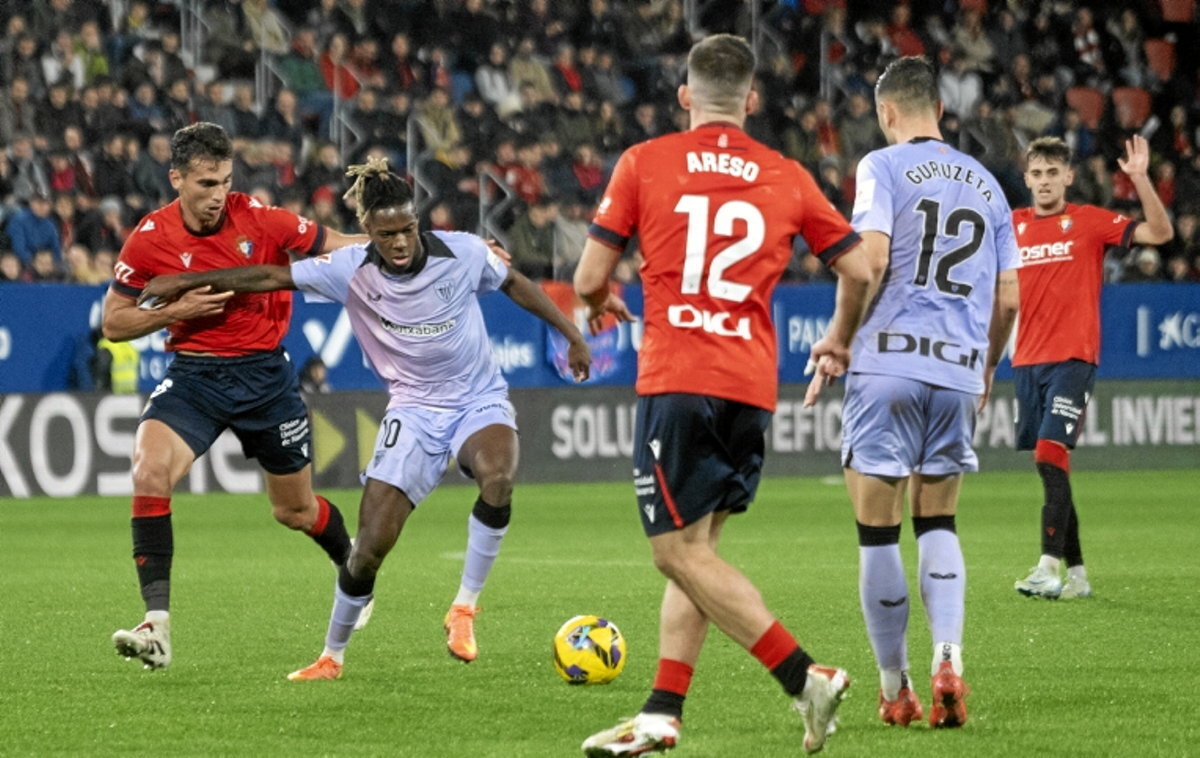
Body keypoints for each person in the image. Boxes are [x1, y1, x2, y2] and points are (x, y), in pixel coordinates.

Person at [138, 157, 592, 680]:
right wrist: (185, 282)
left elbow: (514, 282)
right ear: (368, 233)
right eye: (385, 234)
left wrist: (571, 335)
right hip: (412, 411)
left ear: (417, 222)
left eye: (406, 230)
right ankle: (332, 656)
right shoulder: (348, 269)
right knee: (369, 549)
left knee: (498, 477)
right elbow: (267, 275)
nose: (399, 243)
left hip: (477, 398)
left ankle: (464, 607)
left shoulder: (464, 252)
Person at [574, 34, 881, 756]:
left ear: (685, 95)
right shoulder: (787, 174)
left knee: (673, 554)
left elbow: (588, 276)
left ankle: (805, 675)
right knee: (699, 551)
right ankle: (662, 712)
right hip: (749, 385)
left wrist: (598, 300)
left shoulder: (645, 161)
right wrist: (838, 339)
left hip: (679, 375)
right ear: (751, 100)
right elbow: (860, 269)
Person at [100, 122, 371, 671]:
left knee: (293, 510)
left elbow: (340, 246)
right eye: (206, 183)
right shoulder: (150, 237)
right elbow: (114, 321)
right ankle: (157, 626)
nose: (218, 194)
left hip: (266, 379)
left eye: (225, 181)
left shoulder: (263, 219)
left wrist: (424, 244)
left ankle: (351, 565)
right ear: (177, 179)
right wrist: (177, 312)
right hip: (195, 377)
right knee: (149, 471)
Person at [805, 56, 1021, 730]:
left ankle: (896, 687)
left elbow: (870, 261)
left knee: (878, 533)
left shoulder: (881, 166)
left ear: (887, 112)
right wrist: (986, 367)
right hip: (957, 370)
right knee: (938, 524)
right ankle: (948, 660)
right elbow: (1009, 300)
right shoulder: (989, 185)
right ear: (940, 110)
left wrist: (839, 339)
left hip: (887, 363)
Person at [1010, 135, 1173, 599]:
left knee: (1048, 454)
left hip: (1073, 357)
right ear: (1027, 179)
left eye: (1052, 173)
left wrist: (1139, 179)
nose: (1044, 181)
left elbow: (1160, 233)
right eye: (1036, 173)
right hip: (1026, 361)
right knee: (1054, 465)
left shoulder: (1089, 222)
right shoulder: (1011, 226)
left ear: (1068, 176)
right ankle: (1078, 575)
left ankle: (1047, 567)